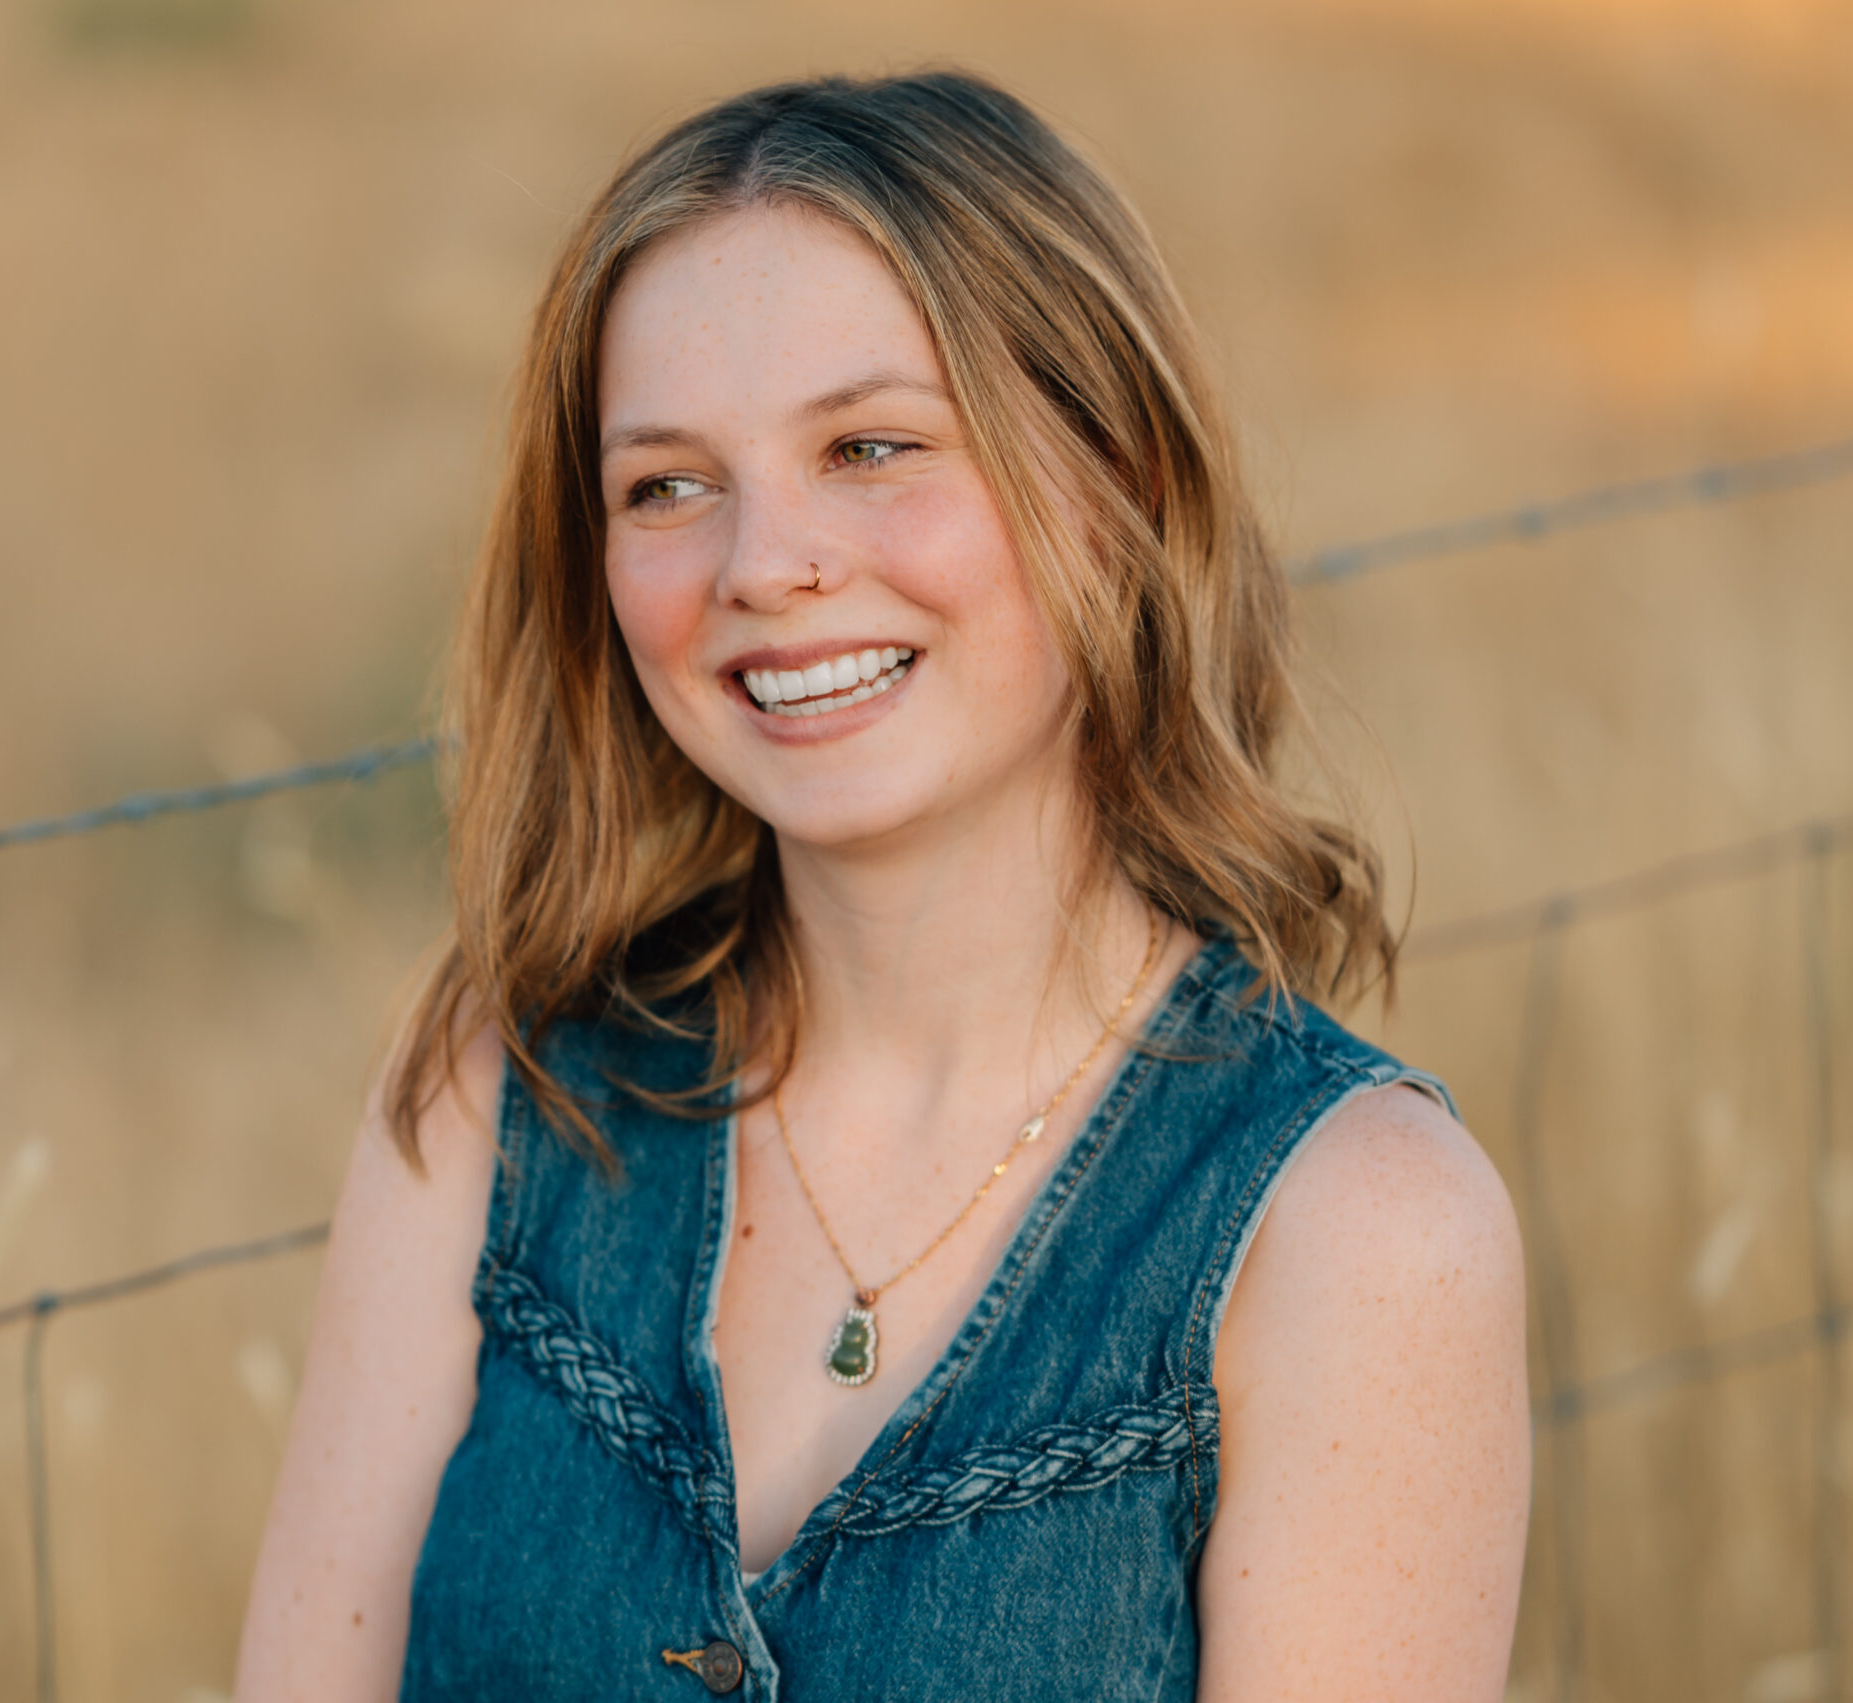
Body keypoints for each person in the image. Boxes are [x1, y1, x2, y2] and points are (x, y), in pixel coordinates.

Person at [236, 70, 1530, 1702]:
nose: (764, 564)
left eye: (870, 445)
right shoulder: (506, 1101)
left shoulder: (1356, 1232)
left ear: (1115, 484)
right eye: (668, 485)